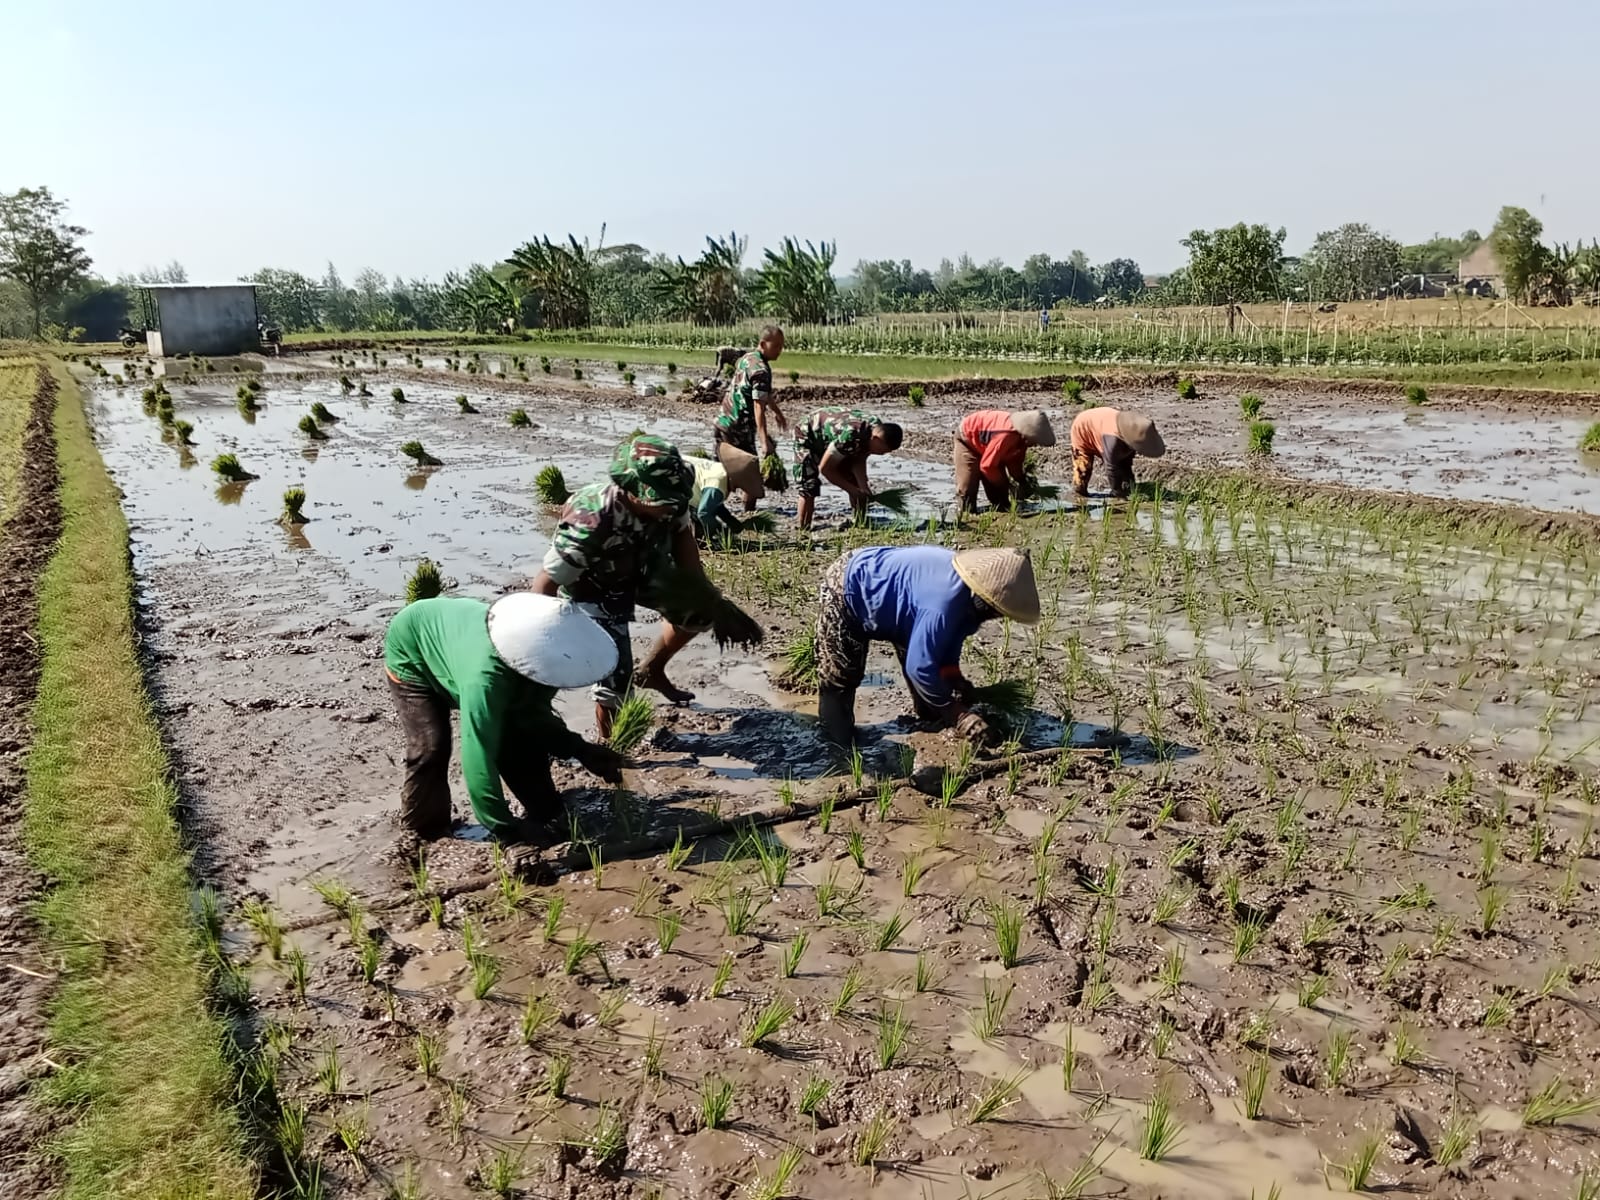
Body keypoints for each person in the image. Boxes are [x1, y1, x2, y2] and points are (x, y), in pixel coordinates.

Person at [383, 593, 626, 844]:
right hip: (413, 648)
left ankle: (543, 811)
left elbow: (533, 716)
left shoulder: (544, 664)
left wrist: (580, 749)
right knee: (432, 746)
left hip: (462, 648)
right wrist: (505, 831)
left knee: (522, 744)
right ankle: (423, 833)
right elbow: (478, 753)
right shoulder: (486, 678)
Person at [531, 435, 713, 737]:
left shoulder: (672, 496)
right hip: (592, 587)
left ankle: (653, 670)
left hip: (641, 567)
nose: (672, 506)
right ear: (635, 493)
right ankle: (613, 746)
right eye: (662, 502)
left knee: (699, 612)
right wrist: (543, 650)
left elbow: (683, 537)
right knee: (615, 679)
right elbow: (545, 584)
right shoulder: (591, 519)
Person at [813, 546, 1040, 749]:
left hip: (903, 609)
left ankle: (928, 718)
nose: (996, 617)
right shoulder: (943, 605)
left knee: (934, 689)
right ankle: (836, 746)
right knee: (841, 677)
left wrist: (956, 680)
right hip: (850, 585)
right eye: (996, 610)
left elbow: (945, 651)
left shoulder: (970, 608)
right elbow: (919, 667)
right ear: (984, 597)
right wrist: (960, 716)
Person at [792, 406, 904, 530]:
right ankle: (803, 530)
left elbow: (859, 457)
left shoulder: (876, 429)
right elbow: (826, 469)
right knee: (809, 485)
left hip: (834, 437)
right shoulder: (850, 436)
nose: (882, 454)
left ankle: (859, 523)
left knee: (855, 481)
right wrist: (853, 491)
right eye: (881, 450)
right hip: (809, 434)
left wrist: (863, 487)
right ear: (875, 438)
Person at [712, 326, 787, 509]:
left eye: (781, 346)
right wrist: (764, 441)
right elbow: (757, 405)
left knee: (722, 472)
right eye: (776, 346)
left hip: (723, 423)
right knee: (751, 478)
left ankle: (709, 507)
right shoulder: (761, 370)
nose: (780, 350)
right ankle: (749, 515)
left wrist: (778, 413)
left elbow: (762, 394)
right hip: (739, 428)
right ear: (763, 344)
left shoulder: (747, 358)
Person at [953, 409, 1056, 513]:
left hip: (988, 446)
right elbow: (987, 466)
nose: (1035, 445)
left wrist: (1022, 481)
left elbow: (1014, 463)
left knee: (1001, 500)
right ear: (1027, 433)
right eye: (1035, 441)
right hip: (967, 440)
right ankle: (965, 515)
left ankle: (1001, 508)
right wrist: (1006, 484)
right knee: (967, 493)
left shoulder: (1022, 441)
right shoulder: (1006, 436)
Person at [1070, 407, 1166, 499]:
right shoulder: (1113, 440)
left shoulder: (1134, 432)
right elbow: (1111, 467)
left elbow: (1126, 462)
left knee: (1124, 463)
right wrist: (1116, 492)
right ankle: (1080, 498)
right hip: (1083, 428)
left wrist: (1129, 484)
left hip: (1102, 424)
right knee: (1083, 473)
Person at [683, 446, 766, 539]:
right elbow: (704, 513)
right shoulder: (717, 484)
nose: (738, 489)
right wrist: (722, 531)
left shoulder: (720, 469)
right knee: (699, 529)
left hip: (680, 472)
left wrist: (731, 521)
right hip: (670, 481)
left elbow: (713, 504)